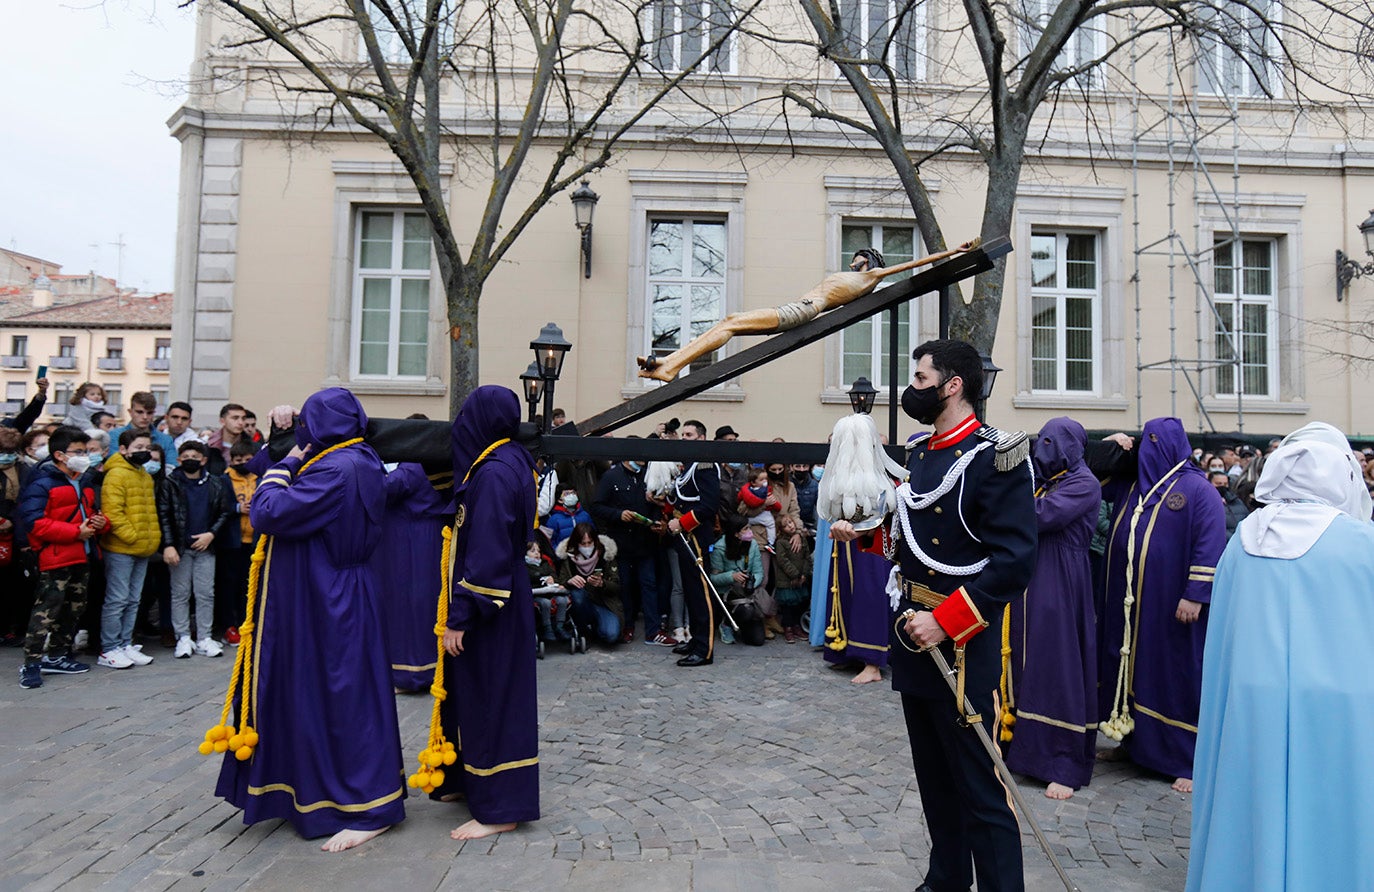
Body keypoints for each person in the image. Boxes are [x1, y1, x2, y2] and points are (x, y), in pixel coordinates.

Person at [831, 338, 1036, 892]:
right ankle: (946, 879)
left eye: (921, 379)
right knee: (935, 778)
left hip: (962, 643)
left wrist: (945, 620)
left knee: (978, 782)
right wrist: (864, 535)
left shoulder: (996, 456)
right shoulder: (922, 451)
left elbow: (1015, 563)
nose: (912, 389)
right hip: (912, 634)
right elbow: (911, 541)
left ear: (953, 385)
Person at [215, 387, 405, 852]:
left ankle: (368, 806)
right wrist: (285, 445)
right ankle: (321, 792)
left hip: (328, 598)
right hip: (336, 591)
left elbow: (268, 511)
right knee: (328, 696)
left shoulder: (336, 468)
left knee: (343, 699)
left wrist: (284, 464)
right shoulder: (360, 458)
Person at [1187, 432, 1374, 891]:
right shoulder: (1359, 540)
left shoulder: (1245, 539)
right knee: (1332, 809)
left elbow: (1224, 637)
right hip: (1339, 707)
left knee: (1254, 801)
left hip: (1251, 698)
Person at [433, 385, 539, 840]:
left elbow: (488, 549)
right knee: (477, 694)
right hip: (507, 595)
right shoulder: (510, 458)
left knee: (493, 698)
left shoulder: (494, 472)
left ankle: (501, 809)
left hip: (493, 603)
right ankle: (471, 779)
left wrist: (462, 616)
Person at [1098, 418, 1226, 794]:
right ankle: (1131, 743)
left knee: (1175, 675)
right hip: (1129, 606)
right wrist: (1109, 445)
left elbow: (1211, 542)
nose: (1146, 449)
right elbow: (1089, 476)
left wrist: (1196, 593)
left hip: (1173, 605)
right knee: (1130, 670)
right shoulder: (1131, 484)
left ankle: (1187, 760)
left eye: (1153, 441)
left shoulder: (1197, 490)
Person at [636, 242, 977, 381]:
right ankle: (669, 364)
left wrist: (953, 252)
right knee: (730, 322)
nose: (852, 261)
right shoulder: (859, 278)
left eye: (857, 257)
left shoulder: (870, 276)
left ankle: (672, 365)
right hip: (797, 308)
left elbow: (913, 265)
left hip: (800, 310)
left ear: (868, 260)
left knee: (732, 322)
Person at [1003, 417, 1101, 800]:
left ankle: (1062, 761)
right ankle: (1024, 752)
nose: (1041, 448)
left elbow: (1041, 515)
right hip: (1032, 579)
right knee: (1026, 660)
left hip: (1061, 580)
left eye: (1050, 442)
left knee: (1057, 664)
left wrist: (999, 503)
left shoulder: (1083, 483)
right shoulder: (1045, 481)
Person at [15, 428, 106, 688]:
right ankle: (31, 663)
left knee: (73, 609)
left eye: (85, 451)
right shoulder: (42, 483)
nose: (84, 456)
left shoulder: (84, 482)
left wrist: (101, 523)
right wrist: (75, 532)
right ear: (59, 455)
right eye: (78, 452)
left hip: (82, 556)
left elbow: (91, 513)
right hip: (55, 558)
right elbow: (34, 522)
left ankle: (58, 656)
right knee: (45, 612)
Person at [374, 458, 447, 692]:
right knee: (425, 606)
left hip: (408, 544)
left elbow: (384, 489)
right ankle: (431, 670)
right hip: (428, 538)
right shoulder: (437, 464)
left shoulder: (413, 466)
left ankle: (411, 674)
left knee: (408, 609)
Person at [162, 441, 233, 659]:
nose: (190, 460)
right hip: (180, 547)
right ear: (178, 459)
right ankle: (183, 637)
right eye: (186, 456)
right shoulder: (170, 483)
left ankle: (204, 637)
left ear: (203, 460)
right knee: (180, 594)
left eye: (195, 456)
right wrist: (169, 545)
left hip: (206, 547)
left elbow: (224, 512)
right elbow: (164, 514)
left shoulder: (215, 483)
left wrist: (211, 534)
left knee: (205, 594)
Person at [97, 429, 161, 669]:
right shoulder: (116, 474)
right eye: (138, 448)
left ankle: (125, 643)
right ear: (123, 450)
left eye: (147, 448)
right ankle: (109, 648)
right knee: (117, 599)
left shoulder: (144, 475)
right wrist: (132, 537)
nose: (144, 452)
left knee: (133, 599)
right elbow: (113, 513)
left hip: (142, 547)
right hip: (121, 548)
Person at [590, 456, 670, 645]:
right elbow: (596, 506)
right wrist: (618, 515)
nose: (643, 459)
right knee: (625, 586)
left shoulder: (649, 476)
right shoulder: (611, 476)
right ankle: (627, 626)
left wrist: (657, 521)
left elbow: (655, 505)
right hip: (621, 544)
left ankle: (653, 631)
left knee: (649, 585)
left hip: (645, 542)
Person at [666, 420, 721, 667]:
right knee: (690, 591)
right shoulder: (687, 464)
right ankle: (696, 640)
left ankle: (704, 649)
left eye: (689, 434)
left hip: (696, 536)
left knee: (700, 594)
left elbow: (709, 506)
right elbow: (682, 498)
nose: (684, 438)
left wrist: (682, 523)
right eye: (683, 434)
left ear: (701, 438)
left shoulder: (705, 465)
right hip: (684, 536)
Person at [556, 522, 623, 646]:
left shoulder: (606, 555)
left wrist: (602, 584)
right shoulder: (568, 558)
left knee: (611, 635)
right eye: (583, 544)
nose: (587, 547)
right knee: (578, 595)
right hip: (580, 604)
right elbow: (559, 583)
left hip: (603, 603)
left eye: (589, 543)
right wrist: (569, 582)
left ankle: (596, 628)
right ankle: (582, 631)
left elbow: (617, 586)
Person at [771, 514, 810, 643]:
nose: (790, 526)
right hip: (787, 581)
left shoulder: (802, 539)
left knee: (799, 604)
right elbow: (783, 561)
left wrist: (804, 574)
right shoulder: (781, 543)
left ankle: (796, 626)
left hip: (801, 579)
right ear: (781, 529)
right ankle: (787, 628)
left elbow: (807, 557)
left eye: (790, 522)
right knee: (788, 606)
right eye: (785, 525)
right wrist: (796, 575)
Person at [108, 392, 176, 459]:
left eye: (149, 413)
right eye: (139, 412)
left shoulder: (166, 440)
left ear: (154, 413)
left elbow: (171, 464)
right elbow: (114, 461)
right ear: (130, 412)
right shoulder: (114, 435)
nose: (145, 417)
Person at [543, 483, 592, 550]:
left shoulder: (585, 515)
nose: (571, 496)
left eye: (573, 493)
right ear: (560, 500)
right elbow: (549, 541)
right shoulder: (554, 519)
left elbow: (593, 534)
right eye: (567, 494)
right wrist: (558, 552)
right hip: (565, 553)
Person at [206, 402, 249, 474]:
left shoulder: (254, 448)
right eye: (235, 418)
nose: (241, 422)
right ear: (222, 421)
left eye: (243, 419)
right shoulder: (210, 448)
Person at [1209, 471, 1248, 537]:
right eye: (1218, 483)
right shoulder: (1207, 503)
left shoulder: (1236, 500)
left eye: (1225, 484)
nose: (1222, 486)